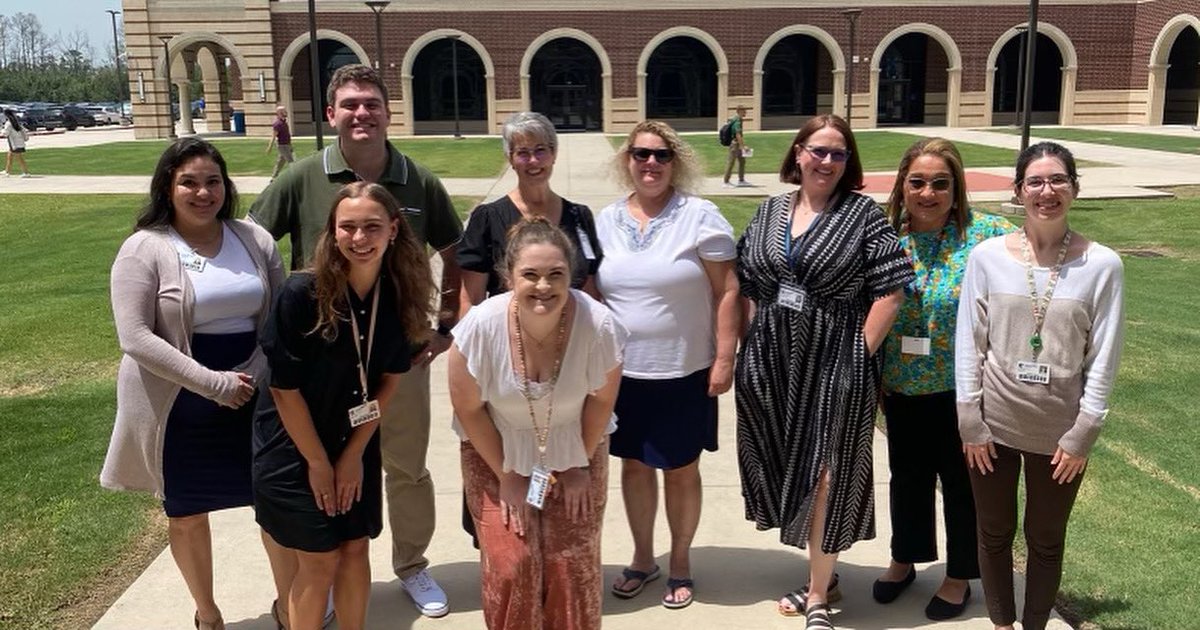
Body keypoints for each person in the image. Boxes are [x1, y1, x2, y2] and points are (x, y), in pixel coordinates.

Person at [249, 63, 462, 618]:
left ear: (388, 112)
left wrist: (443, 324)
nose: (361, 113)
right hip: (319, 363)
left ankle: (412, 565)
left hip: (393, 354)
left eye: (371, 103)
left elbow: (454, 249)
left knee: (405, 465)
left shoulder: (418, 180)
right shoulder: (302, 176)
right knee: (316, 472)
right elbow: (252, 242)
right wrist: (270, 320)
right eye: (350, 104)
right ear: (330, 114)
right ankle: (312, 581)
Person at [734, 113, 914, 630]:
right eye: (818, 150)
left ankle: (817, 595)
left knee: (828, 473)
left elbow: (891, 291)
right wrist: (748, 350)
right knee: (785, 464)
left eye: (838, 153)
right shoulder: (771, 210)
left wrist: (859, 354)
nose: (827, 161)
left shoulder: (863, 216)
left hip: (838, 358)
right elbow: (749, 282)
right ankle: (826, 575)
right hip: (774, 360)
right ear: (798, 153)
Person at [101, 137, 285, 630]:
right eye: (189, 182)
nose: (203, 193)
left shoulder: (254, 239)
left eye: (213, 181)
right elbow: (134, 336)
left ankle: (290, 605)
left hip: (253, 391)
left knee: (274, 503)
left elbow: (279, 317)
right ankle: (208, 613)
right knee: (186, 512)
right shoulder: (145, 248)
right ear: (167, 187)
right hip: (178, 400)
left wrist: (253, 373)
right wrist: (212, 384)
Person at [956, 142, 1125, 630]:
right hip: (992, 427)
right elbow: (970, 340)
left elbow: (1104, 355)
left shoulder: (1102, 265)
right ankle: (1001, 624)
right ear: (1018, 191)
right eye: (1035, 181)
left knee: (1046, 539)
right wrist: (969, 418)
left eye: (1057, 180)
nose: (1046, 191)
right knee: (993, 533)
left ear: (1074, 188)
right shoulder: (988, 258)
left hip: (1060, 435)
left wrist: (1084, 431)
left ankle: (1034, 625)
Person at [253, 181, 435, 630]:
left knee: (355, 548)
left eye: (372, 226)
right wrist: (319, 463)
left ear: (393, 229)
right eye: (348, 227)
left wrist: (353, 454)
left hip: (354, 440)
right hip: (294, 446)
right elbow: (284, 390)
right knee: (319, 560)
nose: (359, 238)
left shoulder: (397, 293)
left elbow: (391, 378)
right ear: (332, 231)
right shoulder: (301, 294)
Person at [448, 218, 626, 630]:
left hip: (576, 441)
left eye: (555, 274)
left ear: (571, 275)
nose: (543, 286)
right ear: (509, 277)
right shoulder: (480, 328)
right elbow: (469, 410)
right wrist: (507, 475)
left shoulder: (599, 325)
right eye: (530, 274)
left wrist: (579, 462)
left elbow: (601, 400)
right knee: (513, 563)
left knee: (570, 565)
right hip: (496, 445)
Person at [597, 120, 740, 609]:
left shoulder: (700, 216)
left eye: (662, 155)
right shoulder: (606, 220)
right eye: (641, 154)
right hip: (623, 373)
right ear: (627, 160)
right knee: (634, 466)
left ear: (676, 162)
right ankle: (643, 559)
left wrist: (725, 357)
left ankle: (680, 562)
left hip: (684, 369)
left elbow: (727, 290)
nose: (651, 163)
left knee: (680, 468)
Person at [875, 138, 1015, 620]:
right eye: (917, 182)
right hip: (901, 385)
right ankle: (904, 559)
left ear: (956, 189)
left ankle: (959, 576)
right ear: (902, 186)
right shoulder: (886, 239)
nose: (928, 193)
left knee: (960, 484)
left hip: (965, 391)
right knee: (907, 478)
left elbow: (1040, 250)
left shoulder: (986, 237)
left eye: (940, 183)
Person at [456, 111, 604, 544]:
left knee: (562, 476)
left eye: (541, 150)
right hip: (508, 367)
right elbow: (469, 299)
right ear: (510, 157)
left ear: (554, 154)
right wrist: (472, 371)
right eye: (523, 152)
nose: (533, 161)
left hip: (567, 364)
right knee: (509, 482)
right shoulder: (488, 218)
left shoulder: (578, 216)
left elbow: (590, 289)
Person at [722, 105, 750, 188]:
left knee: (742, 161)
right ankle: (726, 182)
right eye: (744, 111)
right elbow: (738, 134)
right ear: (739, 111)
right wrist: (742, 146)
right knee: (731, 162)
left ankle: (741, 180)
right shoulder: (737, 120)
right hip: (735, 144)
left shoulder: (735, 119)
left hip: (737, 144)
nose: (745, 112)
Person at [266, 105, 294, 180]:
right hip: (282, 146)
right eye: (284, 111)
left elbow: (287, 135)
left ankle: (273, 177)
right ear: (280, 113)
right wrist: (269, 147)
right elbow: (273, 136)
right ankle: (295, 177)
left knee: (280, 162)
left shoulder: (284, 122)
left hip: (287, 145)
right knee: (291, 162)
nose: (286, 112)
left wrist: (290, 145)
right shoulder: (277, 124)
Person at [2, 108, 31, 177]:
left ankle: (26, 172)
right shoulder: (17, 122)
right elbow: (23, 131)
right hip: (18, 143)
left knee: (20, 158)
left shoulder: (8, 123)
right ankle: (7, 171)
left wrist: (2, 130)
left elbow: (5, 133)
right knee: (9, 157)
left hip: (14, 144)